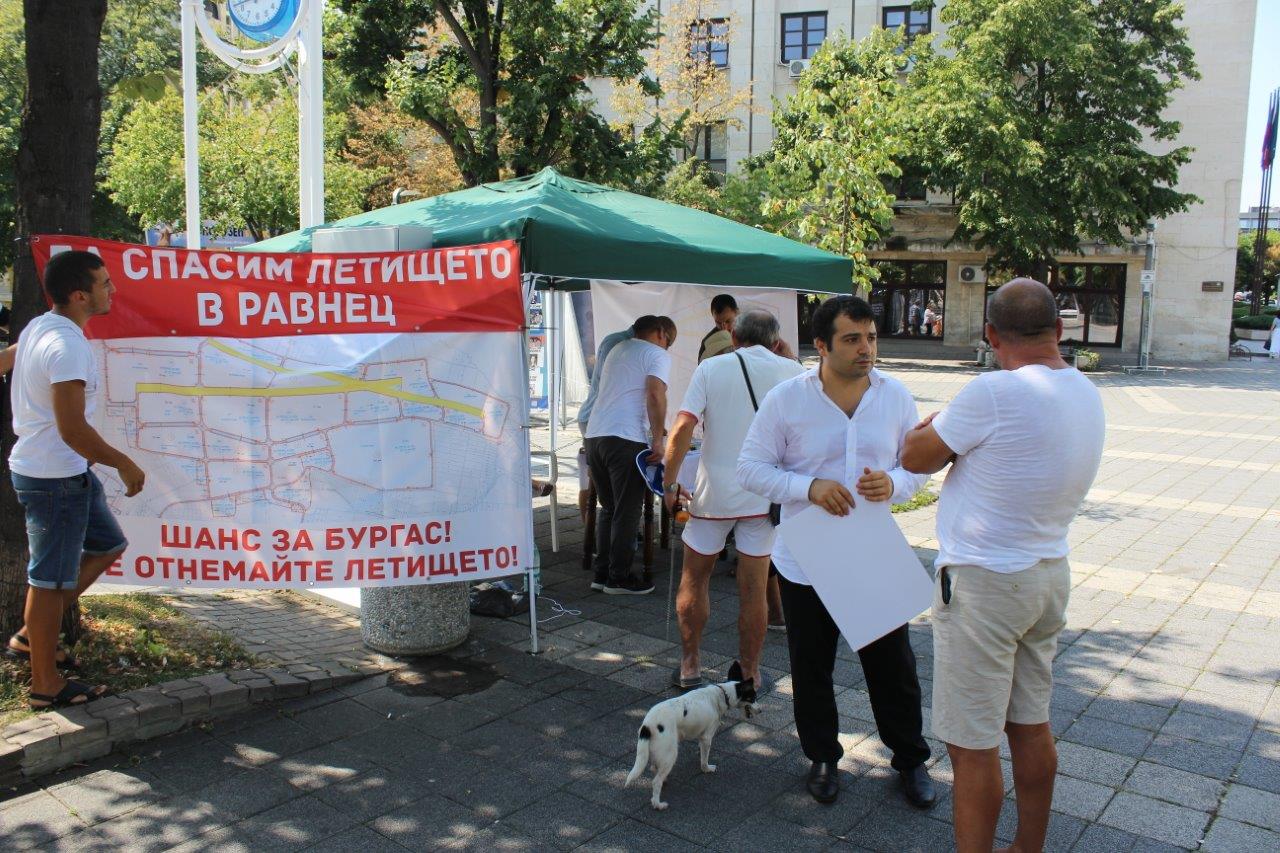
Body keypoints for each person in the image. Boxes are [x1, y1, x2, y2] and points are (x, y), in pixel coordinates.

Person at [900, 278, 1105, 853]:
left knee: (971, 745)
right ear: (1059, 329)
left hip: (984, 584)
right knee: (1030, 724)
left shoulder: (992, 392)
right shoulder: (1085, 390)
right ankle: (1027, 846)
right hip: (1047, 572)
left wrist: (933, 425)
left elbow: (914, 456)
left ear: (990, 335)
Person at [737, 295, 936, 808]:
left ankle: (910, 758)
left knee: (893, 667)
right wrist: (808, 487)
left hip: (871, 550)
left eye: (870, 337)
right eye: (852, 339)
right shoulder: (787, 399)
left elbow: (915, 470)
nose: (866, 349)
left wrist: (893, 483)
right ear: (821, 346)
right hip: (806, 557)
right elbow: (750, 468)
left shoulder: (895, 396)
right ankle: (823, 756)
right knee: (811, 668)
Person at [7, 251, 145, 709]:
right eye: (105, 283)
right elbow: (72, 430)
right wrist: (122, 462)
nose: (113, 290)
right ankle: (45, 684)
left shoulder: (39, 328)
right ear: (80, 295)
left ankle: (32, 635)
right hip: (54, 479)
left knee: (108, 545)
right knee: (47, 582)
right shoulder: (66, 347)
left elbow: (7, 360)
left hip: (63, 472)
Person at [662, 311, 804, 691]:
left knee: (695, 577)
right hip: (765, 496)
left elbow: (683, 426)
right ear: (776, 341)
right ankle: (750, 673)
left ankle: (690, 666)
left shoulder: (711, 368)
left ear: (734, 337)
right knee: (754, 589)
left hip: (714, 494)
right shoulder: (794, 373)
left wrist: (670, 483)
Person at [584, 314, 676, 595]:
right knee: (627, 510)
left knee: (609, 508)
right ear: (660, 333)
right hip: (625, 437)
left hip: (595, 434)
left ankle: (602, 573)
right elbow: (655, 394)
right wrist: (658, 439)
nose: (668, 348)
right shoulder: (656, 354)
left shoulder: (618, 349)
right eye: (669, 342)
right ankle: (619, 577)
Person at [577, 321, 636, 517]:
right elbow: (610, 383)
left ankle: (596, 527)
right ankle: (594, 526)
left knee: (598, 479)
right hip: (597, 419)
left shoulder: (617, 340)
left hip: (595, 418)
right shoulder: (619, 344)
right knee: (598, 479)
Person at [697, 294, 739, 362]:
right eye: (718, 323)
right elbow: (702, 367)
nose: (724, 328)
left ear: (737, 312)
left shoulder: (750, 334)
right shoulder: (707, 342)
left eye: (728, 321)